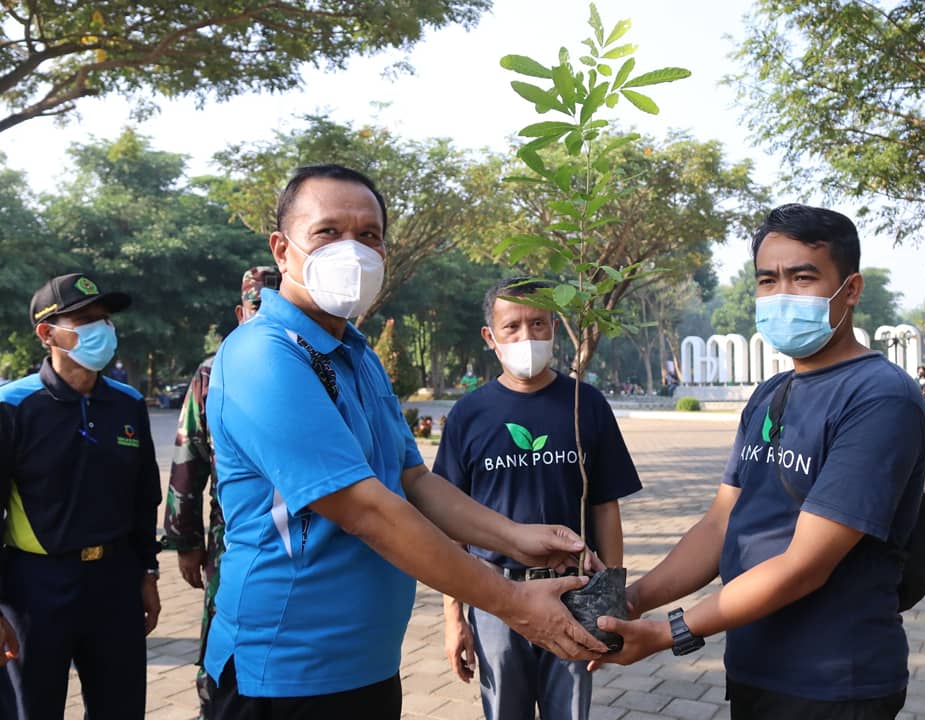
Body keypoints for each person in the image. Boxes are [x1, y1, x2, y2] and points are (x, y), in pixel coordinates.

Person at [203, 164, 606, 719]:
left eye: (368, 235)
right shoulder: (263, 354)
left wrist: (517, 539)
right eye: (328, 232)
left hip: (367, 664)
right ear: (282, 249)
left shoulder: (356, 354)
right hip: (286, 671)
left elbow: (412, 480)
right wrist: (513, 603)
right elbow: (366, 510)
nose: (352, 250)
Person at [589, 204, 925, 720]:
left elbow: (804, 565)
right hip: (755, 665)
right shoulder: (772, 393)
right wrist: (631, 600)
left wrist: (668, 633)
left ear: (851, 290)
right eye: (768, 280)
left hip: (834, 680)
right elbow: (719, 525)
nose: (782, 294)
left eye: (803, 277)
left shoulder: (880, 398)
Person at [438, 278, 642, 720]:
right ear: (490, 336)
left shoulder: (585, 404)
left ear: (554, 326)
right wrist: (454, 617)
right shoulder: (468, 416)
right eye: (511, 327)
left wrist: (610, 596)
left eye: (538, 323)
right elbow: (451, 521)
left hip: (574, 593)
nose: (526, 336)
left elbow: (605, 507)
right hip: (495, 595)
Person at [0, 273, 162, 719]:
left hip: (115, 581)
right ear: (47, 333)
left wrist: (148, 571)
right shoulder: (13, 407)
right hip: (34, 587)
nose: (101, 329)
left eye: (105, 319)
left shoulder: (127, 404)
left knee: (120, 708)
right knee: (32, 709)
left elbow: (144, 496)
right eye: (85, 320)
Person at [161, 266, 280, 720]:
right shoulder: (213, 372)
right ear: (239, 312)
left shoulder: (312, 364)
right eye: (257, 307)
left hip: (306, 531)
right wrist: (185, 541)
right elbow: (188, 457)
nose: (266, 315)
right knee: (226, 635)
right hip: (231, 536)